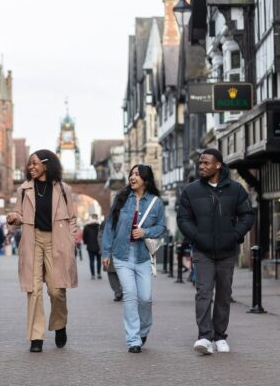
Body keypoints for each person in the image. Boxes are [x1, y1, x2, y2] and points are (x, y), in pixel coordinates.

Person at [177, 148, 255, 355]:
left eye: (206, 163)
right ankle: (204, 336)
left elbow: (247, 215)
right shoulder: (191, 191)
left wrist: (234, 235)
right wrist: (197, 237)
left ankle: (220, 336)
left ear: (218, 165)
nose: (201, 166)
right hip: (202, 251)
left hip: (228, 251)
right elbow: (183, 219)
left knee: (224, 294)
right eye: (200, 163)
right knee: (203, 292)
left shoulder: (236, 190)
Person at [6, 149, 78, 353]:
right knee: (34, 289)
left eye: (35, 163)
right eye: (29, 164)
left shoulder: (64, 189)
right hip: (33, 239)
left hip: (57, 241)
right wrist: (14, 218)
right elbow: (20, 215)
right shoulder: (24, 189)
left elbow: (72, 219)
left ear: (47, 164)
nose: (31, 167)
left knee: (57, 290)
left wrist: (71, 241)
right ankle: (36, 337)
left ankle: (59, 324)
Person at [101, 164, 166, 353]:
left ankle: (143, 330)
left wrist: (145, 232)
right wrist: (106, 252)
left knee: (145, 298)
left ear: (146, 179)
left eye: (137, 174)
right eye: (131, 174)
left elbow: (162, 228)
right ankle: (133, 339)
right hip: (122, 256)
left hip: (143, 257)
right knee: (130, 296)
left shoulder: (156, 203)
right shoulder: (121, 199)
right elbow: (110, 226)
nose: (133, 177)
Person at [100, 220, 122, 301]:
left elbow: (100, 236)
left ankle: (118, 292)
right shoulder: (106, 222)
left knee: (113, 273)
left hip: (113, 251)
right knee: (113, 273)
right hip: (111, 252)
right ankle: (118, 291)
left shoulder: (106, 221)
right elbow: (101, 236)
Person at [83, 214, 102, 280]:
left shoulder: (86, 227)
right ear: (97, 218)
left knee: (91, 261)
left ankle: (93, 275)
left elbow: (84, 237)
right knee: (99, 261)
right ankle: (99, 273)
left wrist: (86, 243)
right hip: (98, 247)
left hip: (90, 247)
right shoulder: (99, 226)